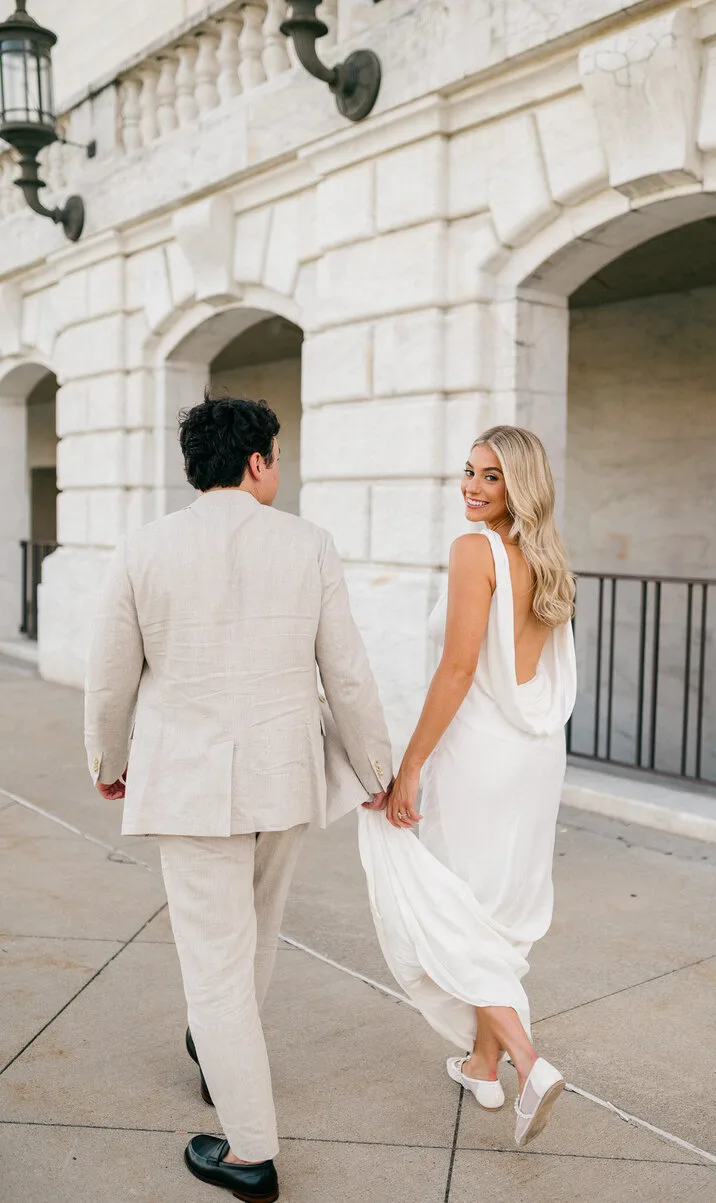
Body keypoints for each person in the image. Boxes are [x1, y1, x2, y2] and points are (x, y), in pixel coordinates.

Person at [84, 393, 392, 1202]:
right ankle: (223, 1062)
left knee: (214, 962)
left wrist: (108, 759)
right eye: (277, 455)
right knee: (253, 938)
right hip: (281, 780)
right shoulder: (310, 544)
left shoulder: (144, 548)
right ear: (256, 461)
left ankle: (250, 1149)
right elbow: (348, 672)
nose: (279, 468)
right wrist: (375, 767)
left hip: (188, 785)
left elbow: (111, 675)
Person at [359, 425, 576, 1146]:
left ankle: (528, 1059)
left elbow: (457, 669)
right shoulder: (545, 556)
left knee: (445, 901)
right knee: (492, 913)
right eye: (469, 472)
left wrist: (412, 762)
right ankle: (482, 1065)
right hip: (535, 754)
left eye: (491, 477)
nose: (472, 487)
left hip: (478, 752)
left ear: (519, 486)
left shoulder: (473, 551)